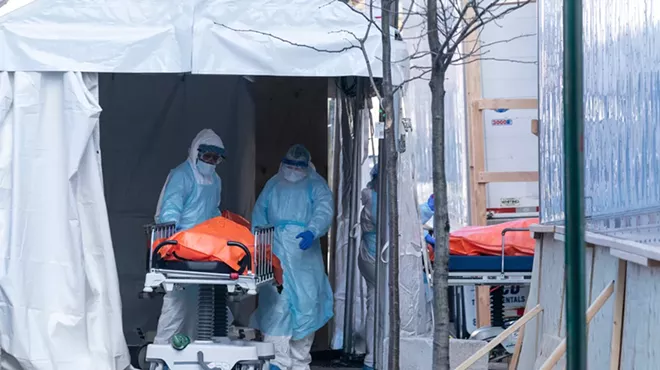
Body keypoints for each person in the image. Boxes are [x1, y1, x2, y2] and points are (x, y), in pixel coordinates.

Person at [252, 145, 334, 370]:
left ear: (307, 166)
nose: (294, 169)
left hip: (304, 256)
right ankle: (275, 361)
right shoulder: (273, 185)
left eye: (299, 166)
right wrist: (259, 246)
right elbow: (259, 215)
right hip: (276, 251)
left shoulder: (316, 185)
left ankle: (298, 363)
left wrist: (312, 230)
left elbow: (324, 210)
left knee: (306, 306)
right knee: (277, 305)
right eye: (290, 165)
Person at [153, 129, 226, 344]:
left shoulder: (216, 180)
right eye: (207, 157)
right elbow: (170, 210)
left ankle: (192, 354)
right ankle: (164, 353)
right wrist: (173, 241)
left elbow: (214, 211)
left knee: (202, 307)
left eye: (215, 158)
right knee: (176, 304)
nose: (211, 162)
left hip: (206, 249)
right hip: (183, 246)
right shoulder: (181, 176)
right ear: (196, 152)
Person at [357, 165, 379, 370]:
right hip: (375, 259)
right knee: (379, 307)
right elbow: (392, 222)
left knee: (374, 305)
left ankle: (372, 356)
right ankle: (373, 357)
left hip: (370, 257)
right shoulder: (375, 199)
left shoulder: (372, 197)